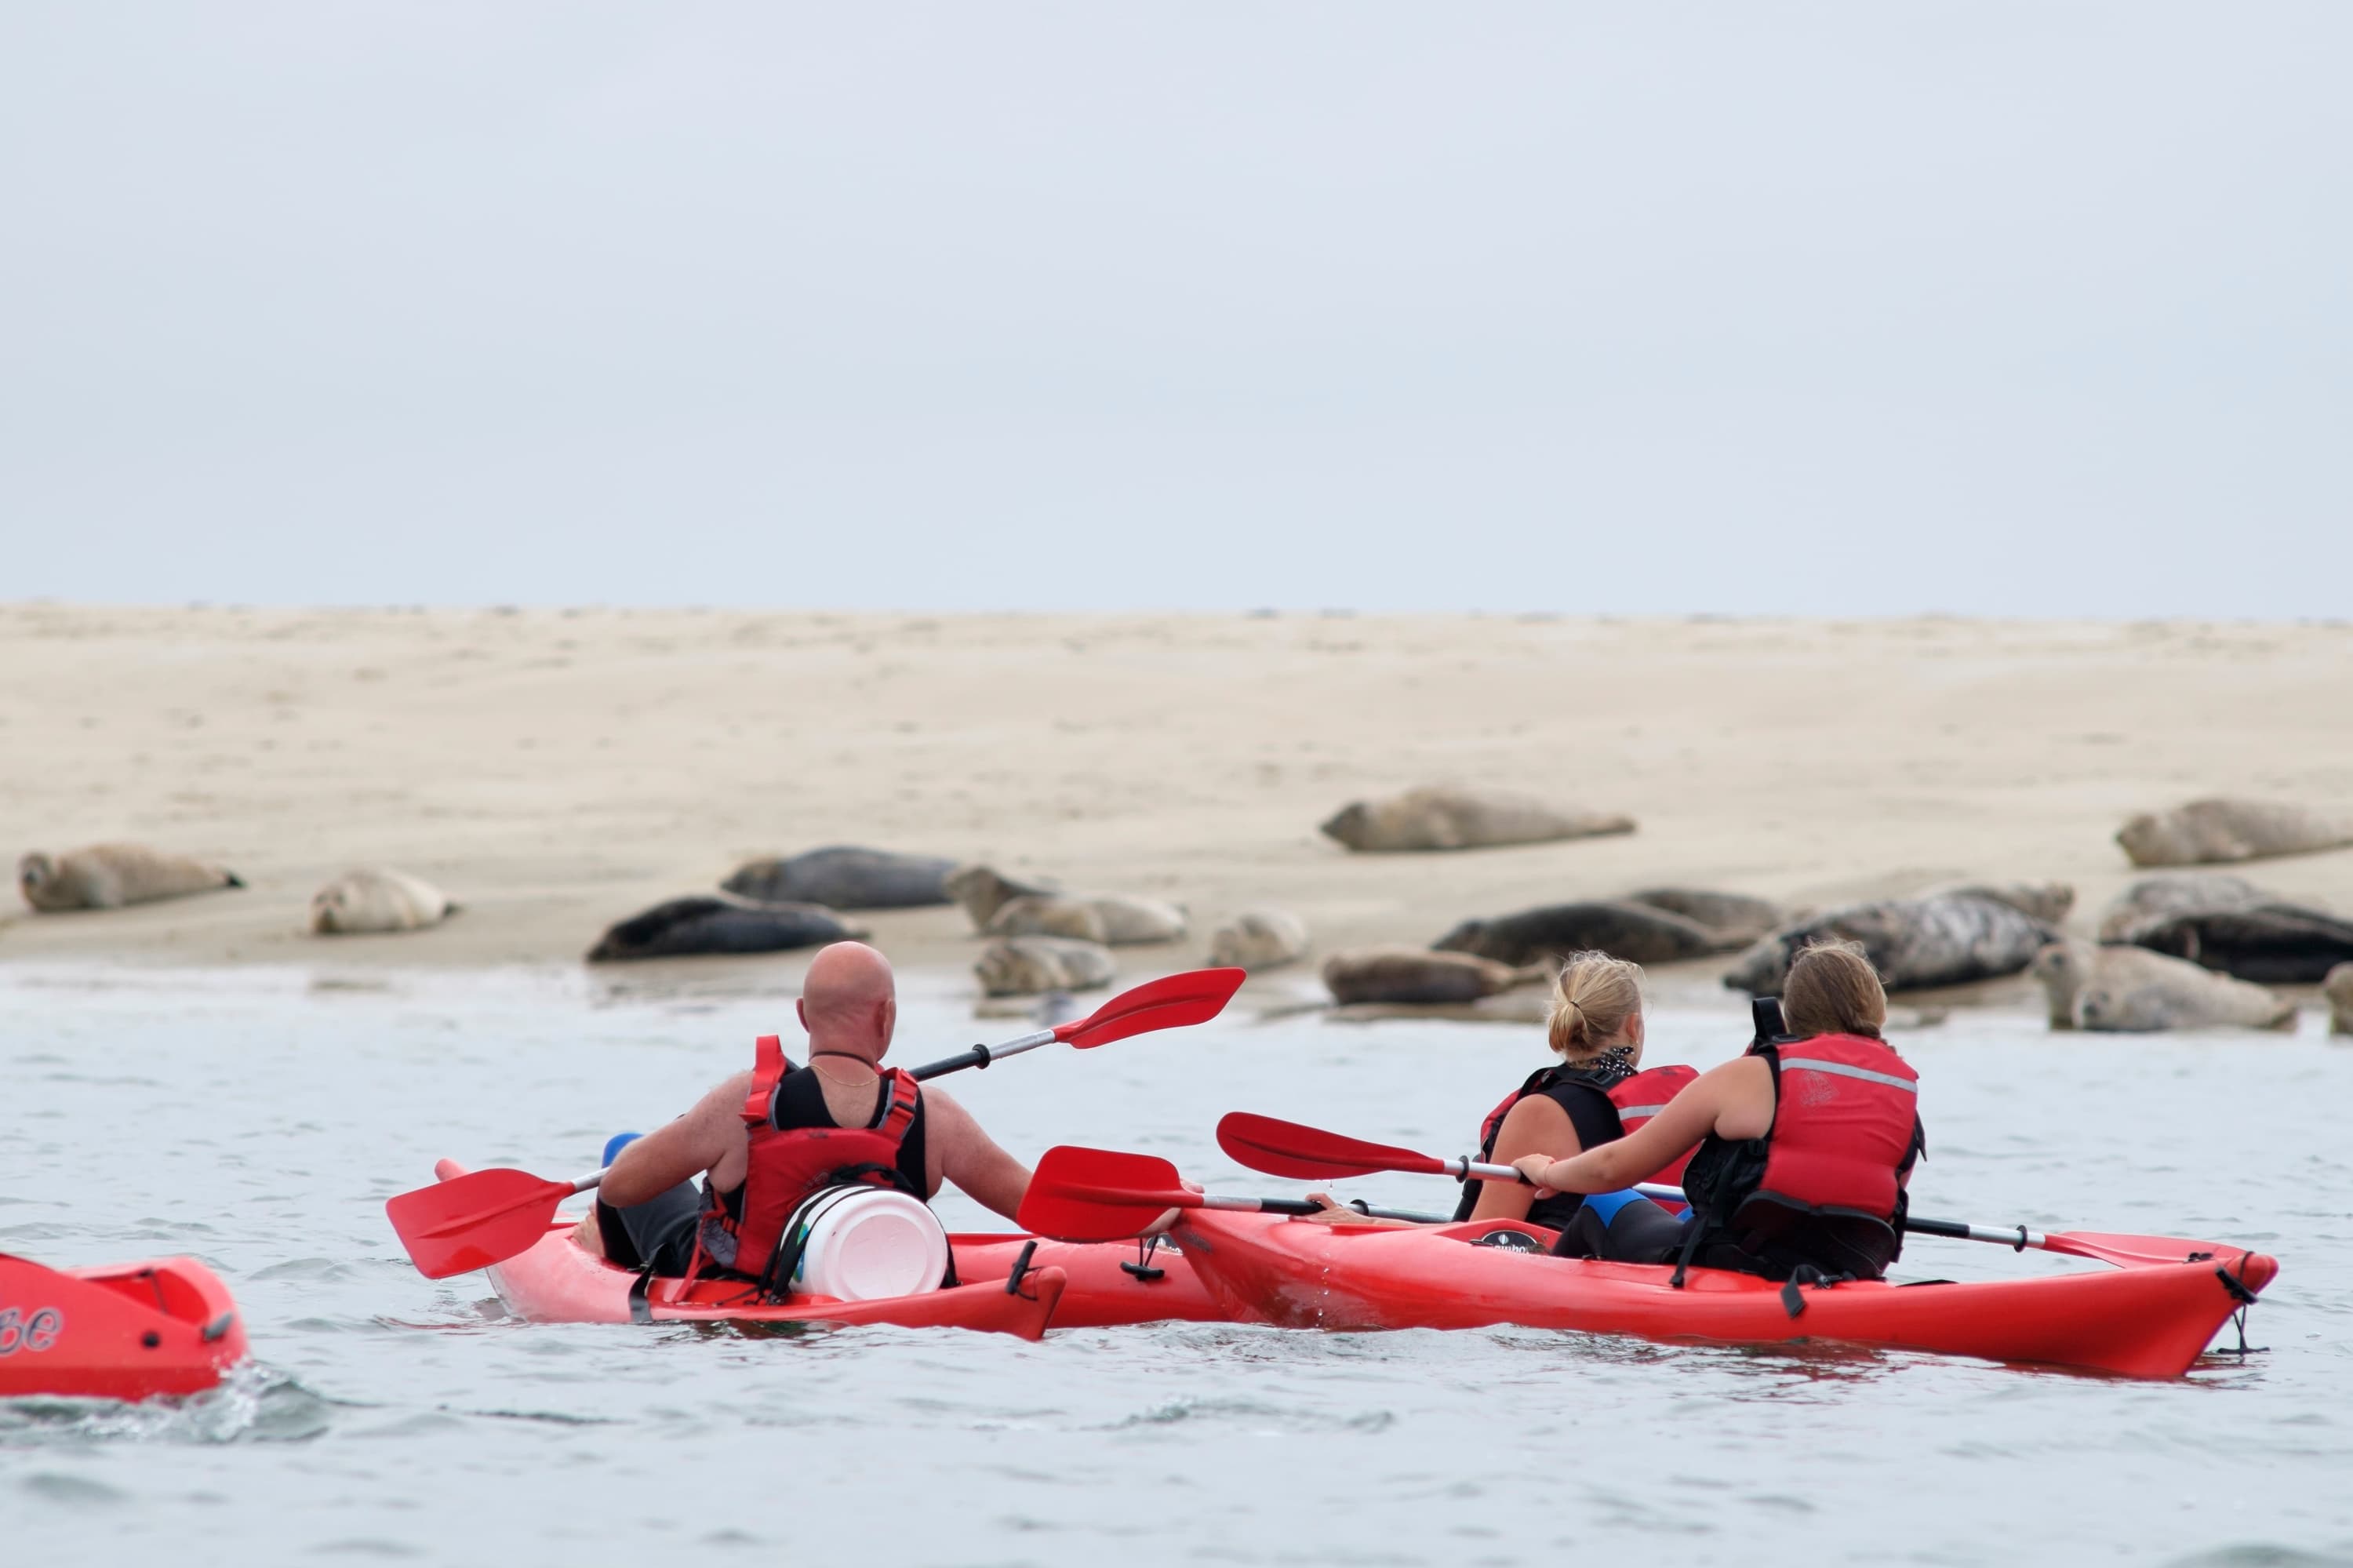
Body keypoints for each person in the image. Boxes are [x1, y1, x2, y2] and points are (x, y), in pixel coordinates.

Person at [576, 941, 1032, 1293]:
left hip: (741, 1297)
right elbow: (1037, 1207)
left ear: (802, 1016)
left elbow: (619, 1187)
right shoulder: (935, 1115)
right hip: (877, 1283)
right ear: (887, 1015)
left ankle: (606, 1260)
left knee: (623, 1148)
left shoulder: (747, 1101)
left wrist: (692, 1133)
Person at [1513, 940, 1924, 1283]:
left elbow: (1611, 1169)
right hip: (1848, 1270)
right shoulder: (1904, 1098)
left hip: (1738, 1263)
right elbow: (1884, 1202)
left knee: (1605, 1203)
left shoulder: (1751, 1077)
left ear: (1791, 1012)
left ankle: (1547, 1302)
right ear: (1878, 1011)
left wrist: (1548, 1173)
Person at [1305, 951, 1697, 1228]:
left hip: (1558, 1275)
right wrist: (1374, 1217)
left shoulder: (1542, 1111)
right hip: (1646, 1260)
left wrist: (1361, 1225)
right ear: (1633, 1026)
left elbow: (1481, 1238)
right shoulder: (1676, 1106)